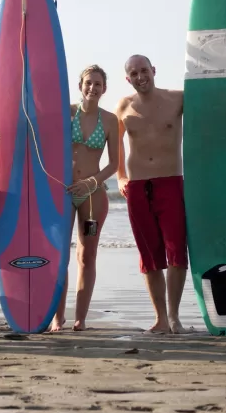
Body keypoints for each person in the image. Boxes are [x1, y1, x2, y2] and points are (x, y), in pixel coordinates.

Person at [114, 54, 189, 334]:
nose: (140, 76)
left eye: (143, 70)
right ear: (128, 78)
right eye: (133, 73)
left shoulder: (178, 98)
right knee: (149, 255)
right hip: (137, 187)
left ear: (153, 70)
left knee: (176, 250)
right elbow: (116, 142)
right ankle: (160, 319)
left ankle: (174, 318)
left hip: (170, 182)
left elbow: (215, 106)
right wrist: (120, 175)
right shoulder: (124, 105)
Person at [50, 64, 119, 332]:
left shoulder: (111, 120)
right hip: (63, 191)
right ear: (80, 85)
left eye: (98, 84)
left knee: (86, 257)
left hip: (93, 194)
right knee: (60, 258)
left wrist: (90, 182)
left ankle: (80, 318)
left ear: (104, 89)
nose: (92, 88)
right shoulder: (67, 113)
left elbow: (113, 165)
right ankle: (58, 317)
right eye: (88, 83)